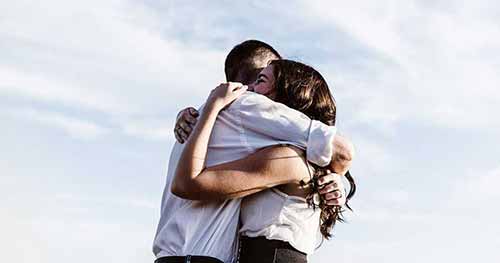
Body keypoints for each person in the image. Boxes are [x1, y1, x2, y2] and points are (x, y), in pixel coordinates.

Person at [153, 40, 354, 263]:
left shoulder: (286, 156)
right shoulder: (245, 111)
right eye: (262, 77)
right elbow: (340, 152)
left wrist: (335, 175)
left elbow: (339, 153)